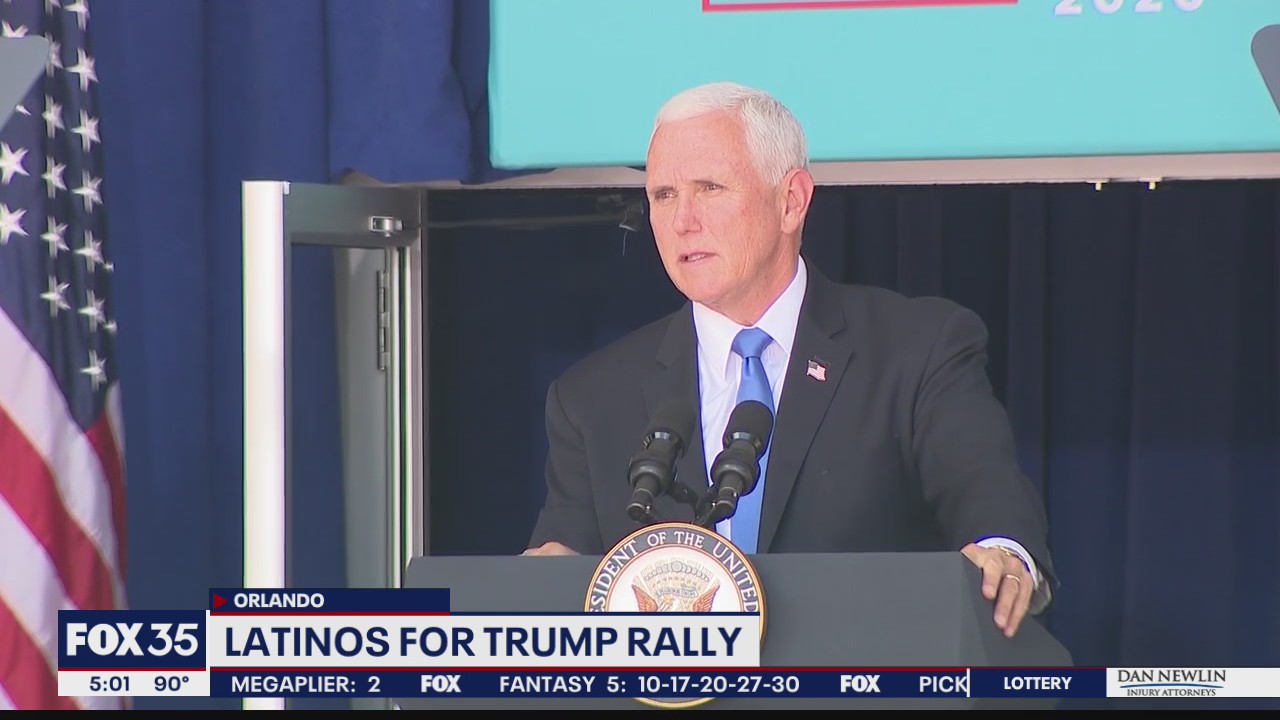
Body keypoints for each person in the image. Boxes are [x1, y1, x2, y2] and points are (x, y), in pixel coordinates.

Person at [523, 81, 1055, 637]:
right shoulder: (591, 398)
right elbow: (560, 562)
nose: (683, 221)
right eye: (662, 195)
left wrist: (1002, 553)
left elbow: (984, 492)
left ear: (792, 201)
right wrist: (543, 582)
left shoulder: (917, 348)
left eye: (709, 188)